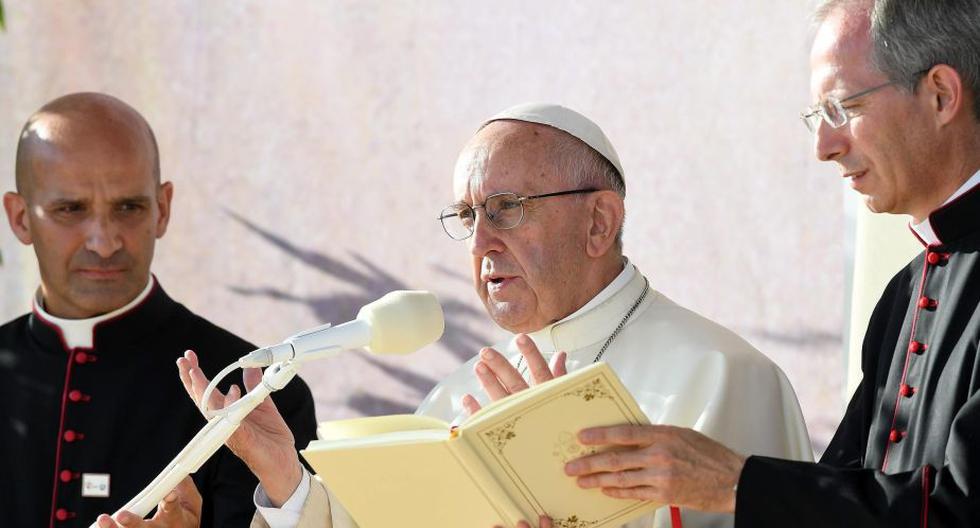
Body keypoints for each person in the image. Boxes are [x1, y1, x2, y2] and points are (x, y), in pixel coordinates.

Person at [138, 103, 813, 528]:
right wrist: (285, 475)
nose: (483, 241)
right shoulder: (452, 396)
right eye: (468, 216)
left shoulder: (722, 377)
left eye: (508, 207)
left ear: (599, 221)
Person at [561, 0, 980, 525]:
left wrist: (737, 482)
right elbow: (845, 492)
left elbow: (962, 507)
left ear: (941, 95)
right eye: (818, 118)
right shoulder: (906, 291)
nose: (824, 148)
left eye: (842, 108)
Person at [0, 92, 318, 527]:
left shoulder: (258, 397)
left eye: (128, 207)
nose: (104, 241)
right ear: (20, 219)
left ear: (162, 209)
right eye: (70, 209)